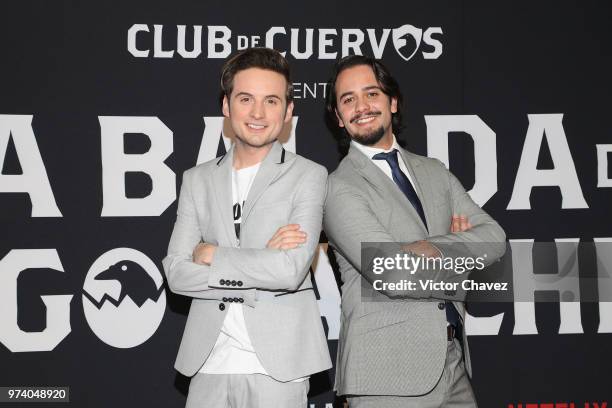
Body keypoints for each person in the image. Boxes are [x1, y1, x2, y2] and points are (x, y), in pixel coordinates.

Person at [323, 55, 506, 407]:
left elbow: (495, 239)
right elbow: (391, 274)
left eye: (371, 94)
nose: (361, 106)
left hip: (453, 366)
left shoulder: (435, 171)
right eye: (348, 100)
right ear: (339, 118)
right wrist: (462, 255)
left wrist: (431, 247)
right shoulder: (338, 187)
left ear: (392, 102)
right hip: (384, 375)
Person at [163, 47, 331, 408]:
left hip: (280, 367)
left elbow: (290, 270)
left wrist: (213, 255)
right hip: (208, 363)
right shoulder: (197, 180)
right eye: (246, 99)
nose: (258, 113)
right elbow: (176, 274)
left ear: (288, 111)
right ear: (226, 106)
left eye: (271, 101)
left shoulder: (309, 176)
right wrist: (257, 272)